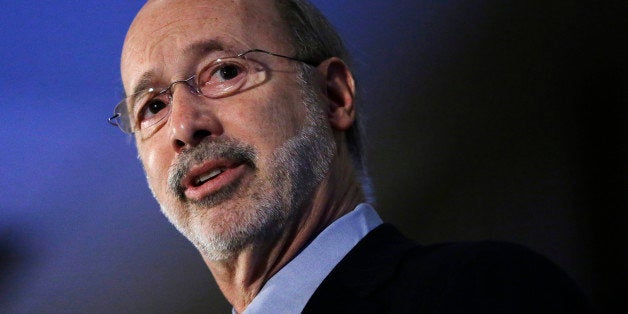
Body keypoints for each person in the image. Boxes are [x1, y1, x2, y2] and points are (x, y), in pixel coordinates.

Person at [108, 0, 591, 312]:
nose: (184, 126)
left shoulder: (478, 293)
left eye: (225, 72)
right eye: (152, 106)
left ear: (334, 96)